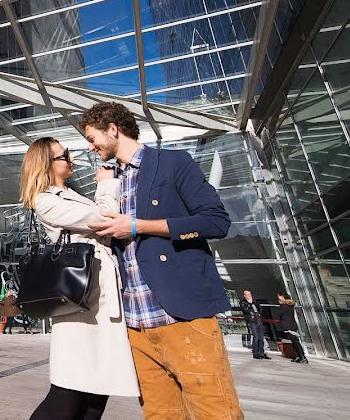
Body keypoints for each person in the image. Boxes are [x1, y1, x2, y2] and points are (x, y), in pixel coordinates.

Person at [81, 102, 243, 420]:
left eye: (92, 137)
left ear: (112, 129)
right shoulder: (112, 182)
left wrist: (137, 226)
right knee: (160, 415)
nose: (90, 146)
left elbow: (216, 221)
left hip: (182, 318)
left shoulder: (172, 163)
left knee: (216, 412)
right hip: (135, 326)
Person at [20, 137, 139, 420]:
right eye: (64, 155)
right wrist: (106, 184)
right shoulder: (45, 200)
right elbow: (104, 217)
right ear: (46, 165)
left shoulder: (71, 194)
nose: (71, 158)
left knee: (99, 390)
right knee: (68, 393)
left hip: (102, 299)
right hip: (80, 302)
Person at [277, 292, 308, 363]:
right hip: (292, 324)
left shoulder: (283, 306)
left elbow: (279, 314)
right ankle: (299, 356)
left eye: (279, 296)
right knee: (294, 341)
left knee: (295, 341)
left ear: (282, 297)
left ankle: (301, 357)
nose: (278, 298)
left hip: (288, 325)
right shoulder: (290, 305)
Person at [241, 290, 270, 359]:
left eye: (250, 294)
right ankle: (255, 353)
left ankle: (261, 353)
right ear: (244, 295)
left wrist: (259, 313)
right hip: (252, 320)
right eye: (248, 294)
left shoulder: (254, 301)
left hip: (258, 319)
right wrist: (250, 304)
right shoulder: (243, 302)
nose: (249, 296)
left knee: (261, 337)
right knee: (256, 337)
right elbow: (246, 310)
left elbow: (260, 307)